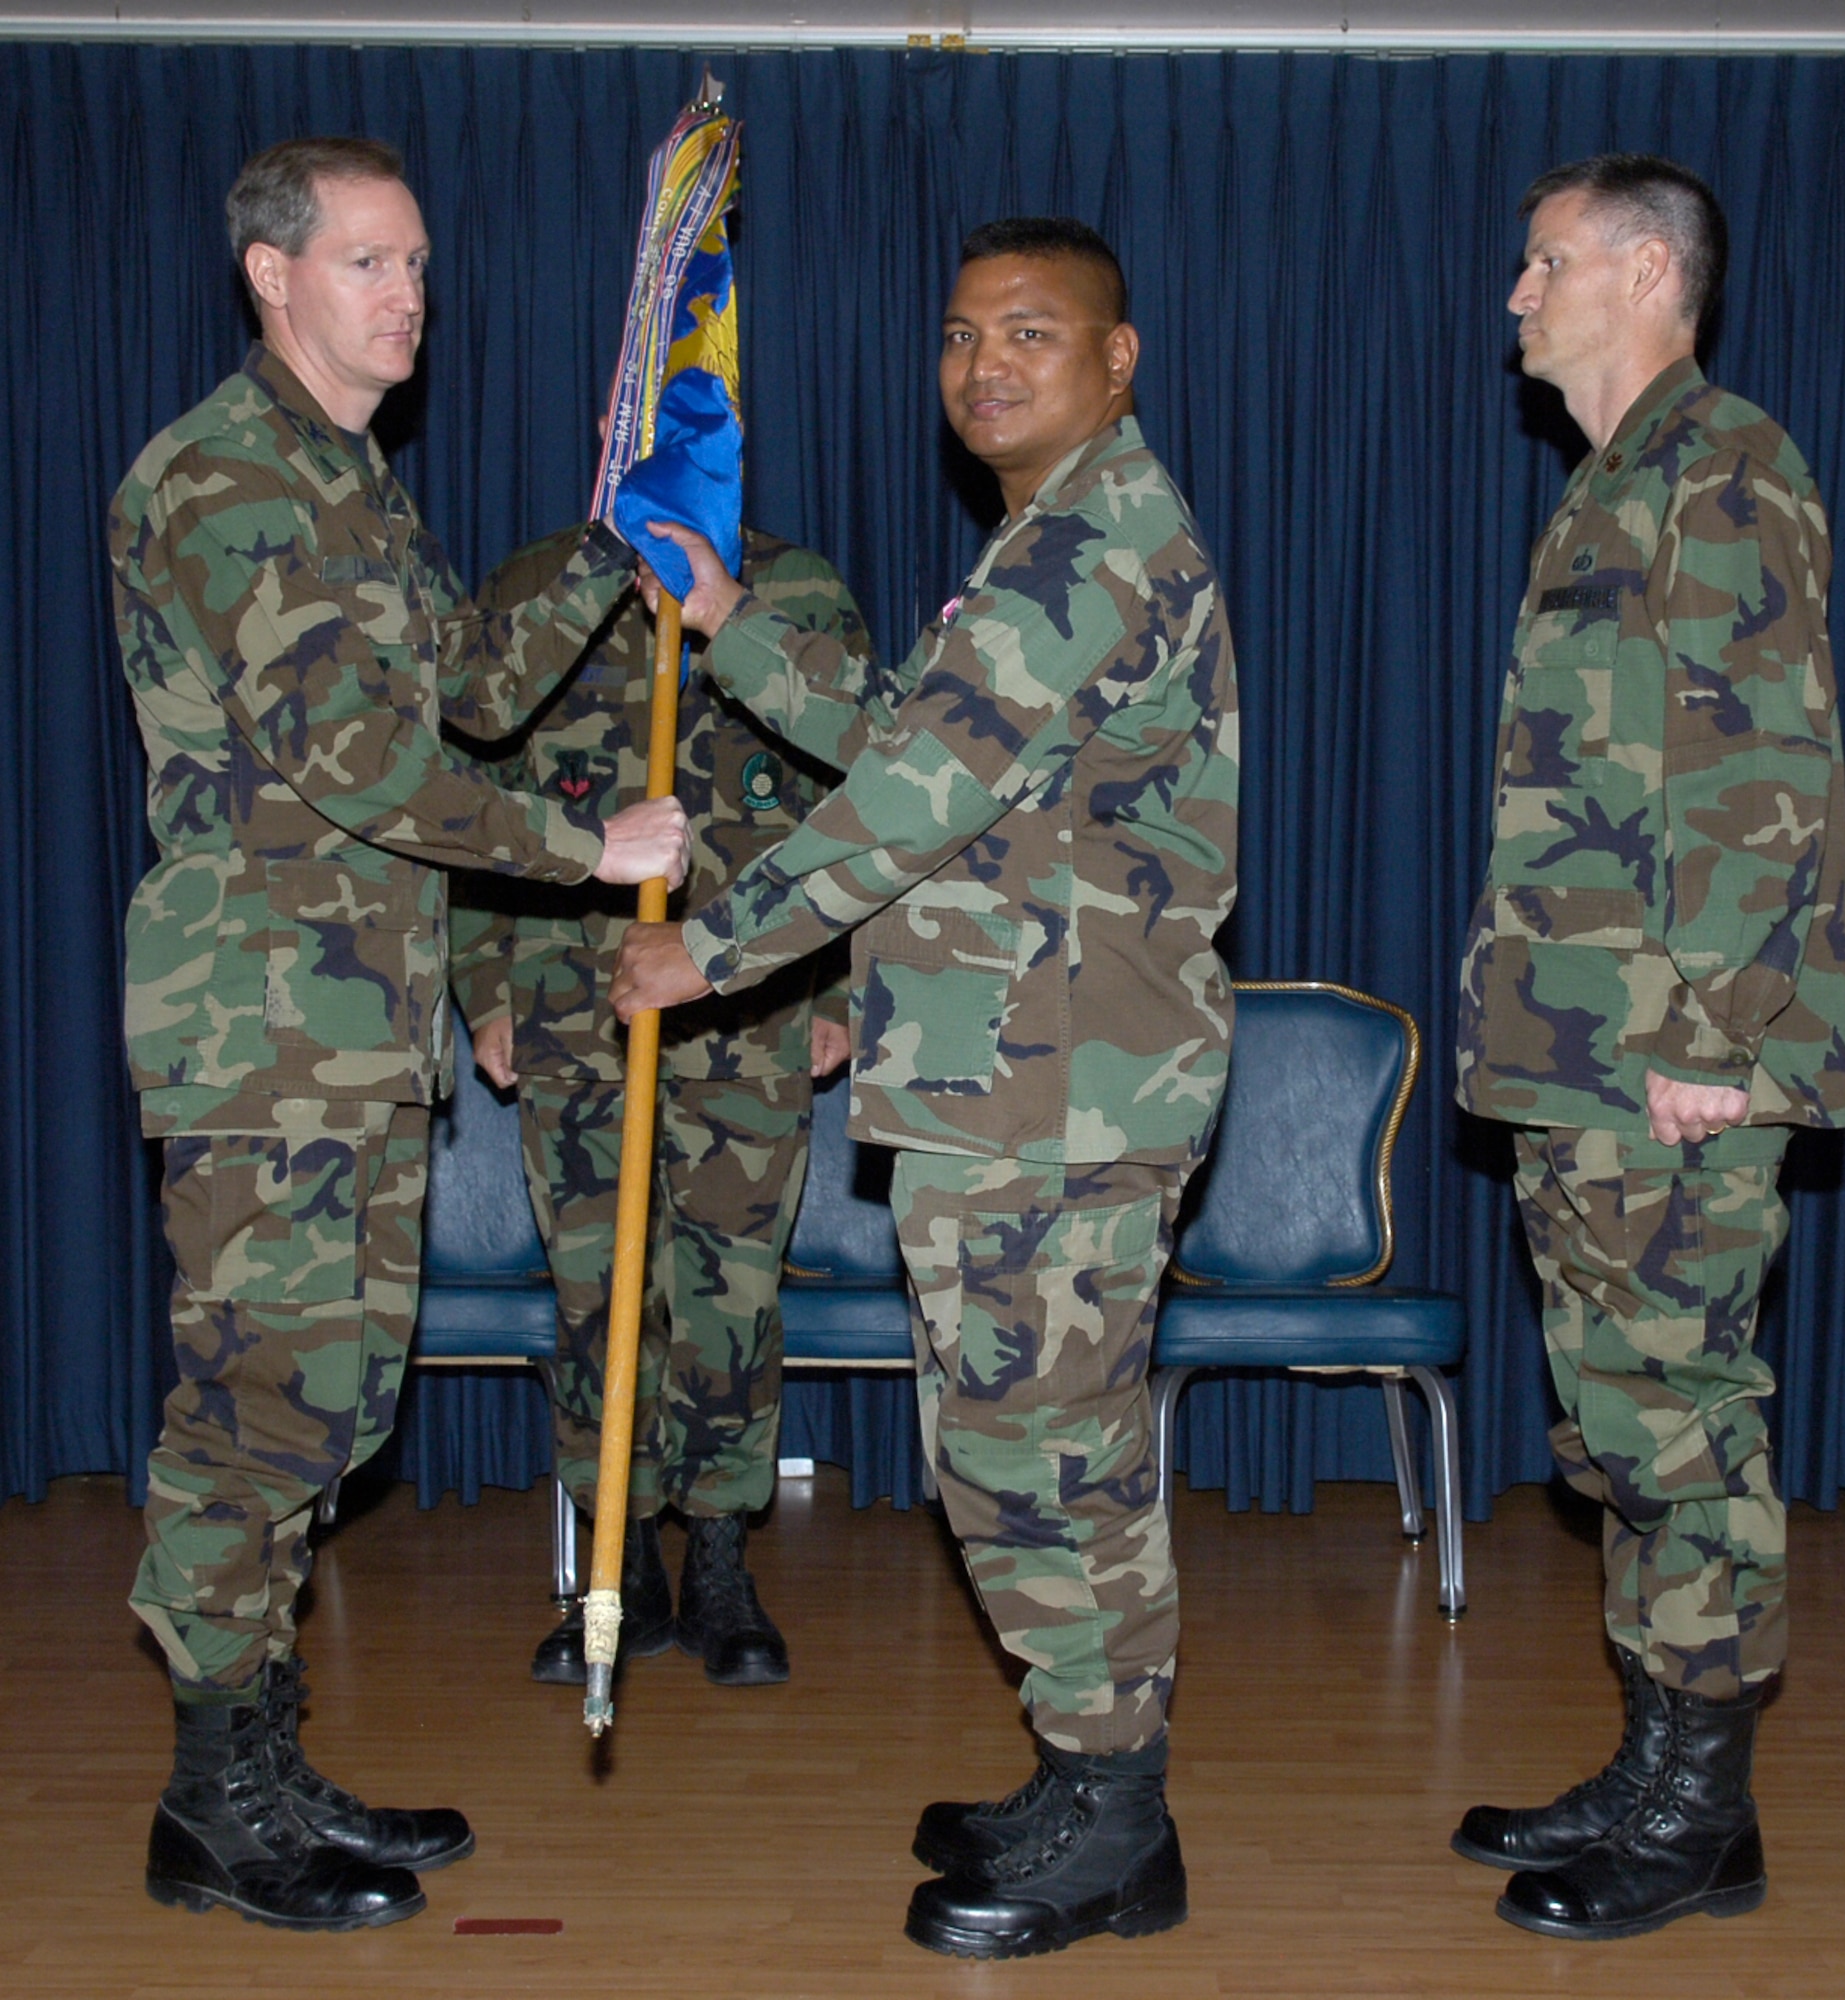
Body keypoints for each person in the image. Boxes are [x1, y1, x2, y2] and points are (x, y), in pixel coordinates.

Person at [610, 217, 1239, 1959]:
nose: (982, 365)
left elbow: (904, 808)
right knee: (1015, 1450)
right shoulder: (1053, 541)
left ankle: (1114, 1828)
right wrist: (731, 621)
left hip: (1061, 1095)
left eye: (1030, 333)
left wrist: (708, 951)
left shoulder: (1088, 546)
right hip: (1017, 1080)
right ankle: (1084, 1772)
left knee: (1047, 1458)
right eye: (961, 333)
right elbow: (922, 740)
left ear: (1117, 362)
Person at [110, 136, 691, 1932]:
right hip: (263, 1029)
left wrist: (610, 536)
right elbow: (357, 761)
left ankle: (261, 1765)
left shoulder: (351, 486)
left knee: (327, 1412)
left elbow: (467, 693)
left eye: (421, 263)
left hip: (354, 1031)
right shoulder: (225, 478)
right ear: (272, 278)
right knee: (254, 1421)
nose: (411, 293)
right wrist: (588, 853)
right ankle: (213, 1801)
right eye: (370, 261)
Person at [1453, 154, 1845, 1941]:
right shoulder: (1621, 486)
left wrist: (1717, 1032)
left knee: (1682, 1433)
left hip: (1668, 1062)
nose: (1516, 298)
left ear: (1639, 267)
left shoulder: (1724, 471)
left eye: (1543, 265)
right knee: (1622, 1432)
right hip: (1586, 1054)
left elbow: (1764, 777)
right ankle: (1663, 1767)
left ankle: (1698, 1812)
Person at [450, 524, 870, 1690]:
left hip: (752, 993)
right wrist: (482, 984)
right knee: (598, 1285)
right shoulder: (536, 585)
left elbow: (861, 798)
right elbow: (467, 790)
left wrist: (837, 985)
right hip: (567, 986)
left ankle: (724, 1557)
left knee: (730, 1288)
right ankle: (616, 1566)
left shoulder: (794, 590)